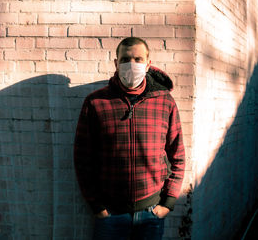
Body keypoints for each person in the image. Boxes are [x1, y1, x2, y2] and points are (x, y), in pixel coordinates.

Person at [74, 37, 185, 240]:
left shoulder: (164, 103)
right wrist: (97, 206)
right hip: (110, 214)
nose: (131, 65)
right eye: (125, 59)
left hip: (151, 212)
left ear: (148, 64)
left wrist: (167, 203)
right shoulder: (96, 103)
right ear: (116, 63)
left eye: (138, 59)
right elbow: (83, 159)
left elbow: (178, 155)